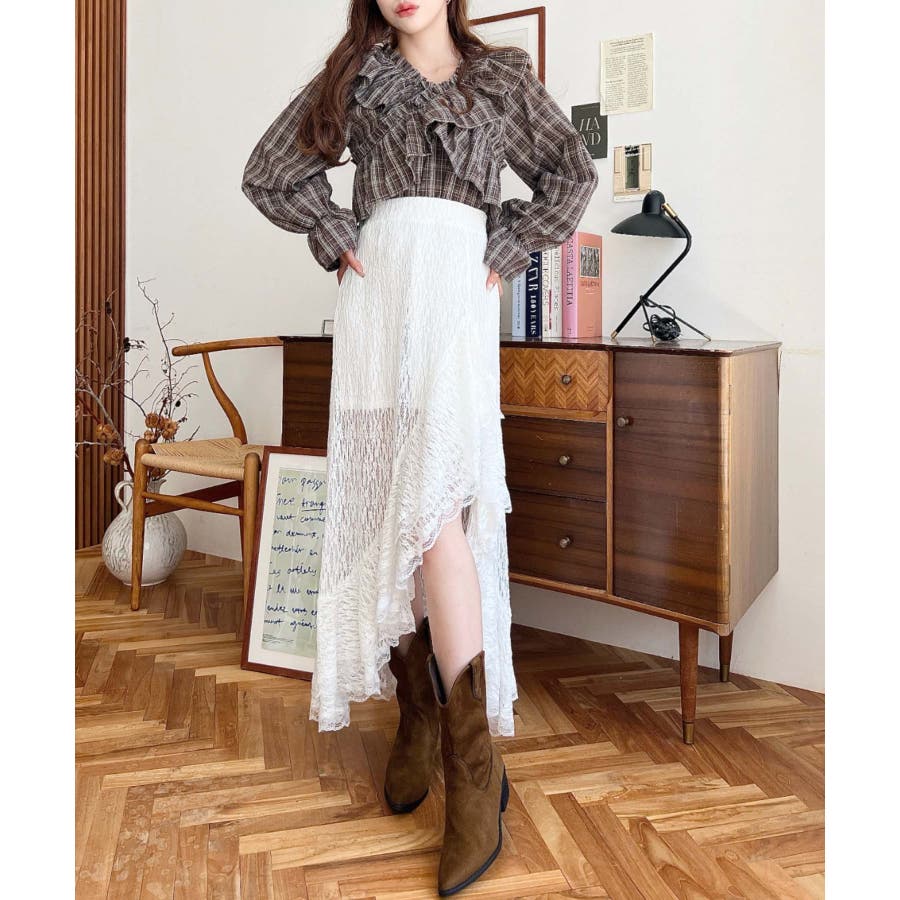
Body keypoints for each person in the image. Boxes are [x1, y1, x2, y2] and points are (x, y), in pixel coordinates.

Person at [241, 1, 598, 893]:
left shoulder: (501, 77)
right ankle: (420, 713)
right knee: (390, 507)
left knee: (437, 509)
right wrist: (333, 232)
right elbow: (268, 172)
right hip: (377, 299)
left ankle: (474, 772)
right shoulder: (356, 75)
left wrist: (510, 241)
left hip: (455, 292)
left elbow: (570, 172)